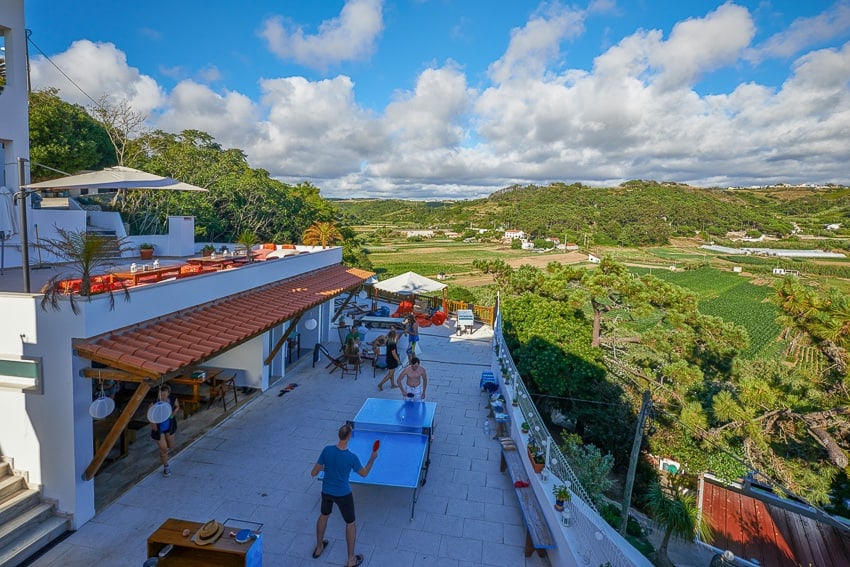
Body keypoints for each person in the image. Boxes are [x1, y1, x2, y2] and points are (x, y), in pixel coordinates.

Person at [311, 423, 378, 567]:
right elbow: (364, 473)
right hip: (343, 494)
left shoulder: (327, 450)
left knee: (323, 515)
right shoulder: (351, 457)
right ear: (349, 437)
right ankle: (351, 560)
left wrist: (326, 466)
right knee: (350, 523)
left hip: (326, 491)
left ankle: (319, 547)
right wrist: (373, 458)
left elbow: (313, 473)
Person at [150, 385, 180, 477]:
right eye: (160, 395)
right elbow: (149, 415)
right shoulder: (154, 402)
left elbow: (177, 406)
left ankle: (164, 454)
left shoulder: (172, 399)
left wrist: (174, 413)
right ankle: (166, 467)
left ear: (168, 394)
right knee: (163, 449)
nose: (162, 397)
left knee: (170, 446)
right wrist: (153, 424)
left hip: (169, 426)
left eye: (164, 395)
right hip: (159, 429)